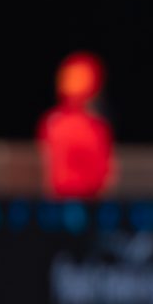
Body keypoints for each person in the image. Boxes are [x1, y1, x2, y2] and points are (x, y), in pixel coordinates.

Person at [37, 52, 115, 199]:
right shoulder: (96, 127)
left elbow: (48, 174)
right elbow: (107, 177)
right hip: (85, 207)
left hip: (64, 205)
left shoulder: (53, 123)